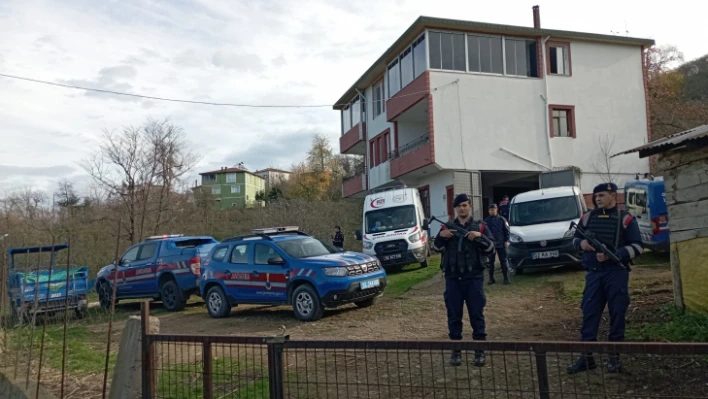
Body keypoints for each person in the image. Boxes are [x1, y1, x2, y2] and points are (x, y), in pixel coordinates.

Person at [566, 183, 643, 375]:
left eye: (601, 195)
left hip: (616, 273)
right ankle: (587, 357)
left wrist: (616, 254)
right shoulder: (587, 217)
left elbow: (639, 246)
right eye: (596, 196)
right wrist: (581, 243)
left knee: (617, 314)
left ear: (613, 196)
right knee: (589, 313)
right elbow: (573, 240)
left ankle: (614, 359)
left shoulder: (625, 219)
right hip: (594, 273)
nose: (597, 198)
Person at [433, 193, 496, 367]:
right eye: (459, 206)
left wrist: (478, 237)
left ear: (470, 206)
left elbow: (491, 249)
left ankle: (479, 352)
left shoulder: (481, 227)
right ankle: (456, 351)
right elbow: (436, 248)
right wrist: (441, 236)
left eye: (465, 205)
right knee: (454, 315)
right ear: (455, 208)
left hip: (474, 278)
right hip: (453, 279)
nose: (462, 208)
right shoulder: (447, 227)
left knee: (477, 315)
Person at [484, 204, 511, 285]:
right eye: (491, 210)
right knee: (490, 262)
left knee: (503, 261)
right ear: (488, 211)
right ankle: (491, 278)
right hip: (491, 244)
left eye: (494, 209)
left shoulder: (502, 219)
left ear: (497, 210)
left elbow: (507, 231)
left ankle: (506, 278)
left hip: (501, 243)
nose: (492, 211)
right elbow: (484, 233)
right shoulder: (486, 221)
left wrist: (507, 240)